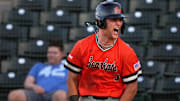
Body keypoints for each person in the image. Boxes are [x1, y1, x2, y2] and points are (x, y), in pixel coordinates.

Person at [64, 1, 142, 101]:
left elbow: (132, 87)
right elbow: (71, 78)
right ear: (101, 22)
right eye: (114, 19)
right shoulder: (82, 46)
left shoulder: (126, 52)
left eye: (120, 20)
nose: (118, 23)